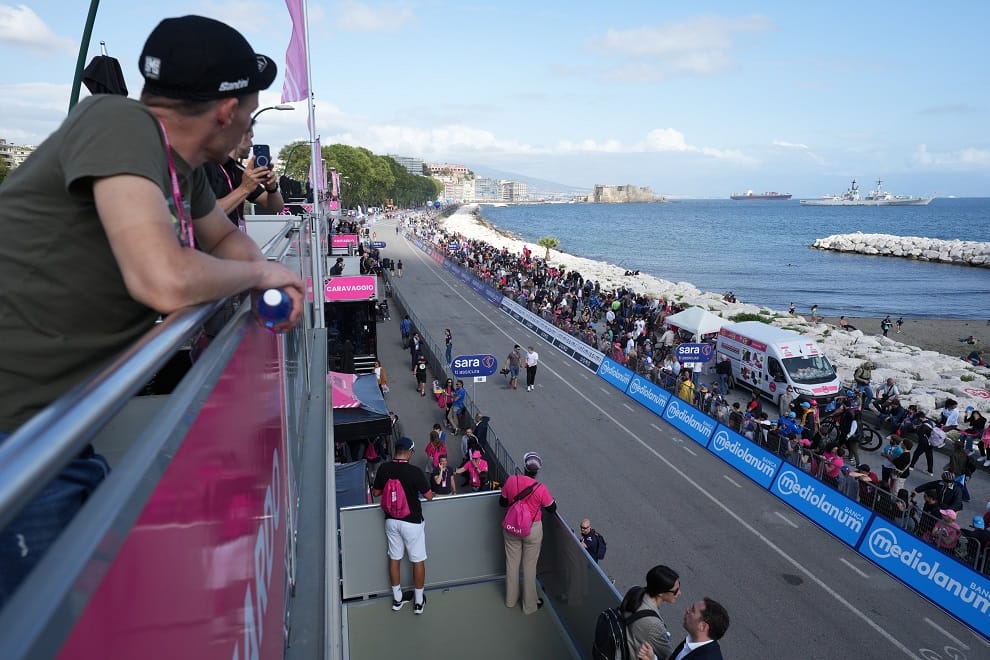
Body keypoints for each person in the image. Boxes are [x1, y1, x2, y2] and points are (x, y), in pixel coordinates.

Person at [0, 15, 305, 606]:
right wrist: (263, 274)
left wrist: (271, 279)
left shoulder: (175, 166)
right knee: (57, 616)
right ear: (226, 111)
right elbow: (161, 277)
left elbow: (222, 240)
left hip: (52, 422)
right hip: (15, 430)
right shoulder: (117, 122)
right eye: (249, 107)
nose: (247, 121)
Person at [372, 436, 433, 614]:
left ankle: (397, 599)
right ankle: (419, 602)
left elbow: (376, 492)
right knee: (417, 560)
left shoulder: (384, 468)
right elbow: (428, 495)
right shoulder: (415, 471)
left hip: (391, 521)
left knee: (394, 558)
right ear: (409, 452)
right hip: (412, 522)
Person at [499, 452, 555, 614]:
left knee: (512, 564)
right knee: (529, 567)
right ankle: (529, 605)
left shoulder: (511, 481)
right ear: (537, 471)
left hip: (512, 528)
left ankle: (510, 600)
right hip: (532, 529)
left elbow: (502, 502)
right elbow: (552, 508)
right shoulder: (541, 489)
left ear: (523, 467)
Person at [203, 121, 282, 231]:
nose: (252, 144)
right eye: (250, 137)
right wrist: (244, 188)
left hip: (233, 243)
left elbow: (276, 207)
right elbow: (205, 215)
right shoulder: (206, 165)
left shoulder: (239, 169)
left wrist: (271, 187)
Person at [623, 565, 681, 660]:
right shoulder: (654, 624)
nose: (679, 593)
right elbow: (669, 656)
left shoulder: (635, 591)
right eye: (675, 591)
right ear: (661, 593)